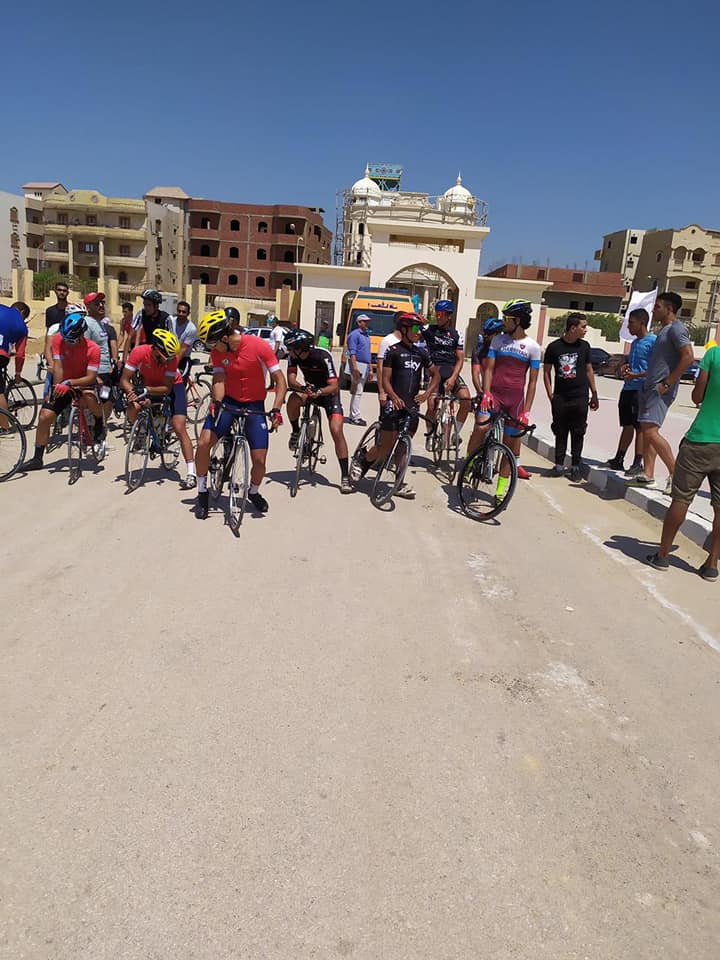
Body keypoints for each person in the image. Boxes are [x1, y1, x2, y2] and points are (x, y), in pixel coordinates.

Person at [193, 309, 287, 519]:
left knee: (259, 461)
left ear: (224, 338)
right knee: (203, 443)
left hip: (255, 405)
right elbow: (219, 379)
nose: (211, 348)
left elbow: (281, 380)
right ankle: (202, 492)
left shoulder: (258, 345)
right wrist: (217, 402)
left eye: (212, 343)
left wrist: (277, 409)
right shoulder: (218, 353)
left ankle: (253, 492)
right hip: (229, 402)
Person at [646, 345, 720, 581]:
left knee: (681, 499)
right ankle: (712, 565)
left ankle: (662, 555)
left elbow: (697, 397)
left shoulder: (714, 354)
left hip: (701, 439)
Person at [349, 312, 440, 499]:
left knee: (403, 446)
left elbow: (436, 375)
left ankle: (399, 482)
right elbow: (385, 378)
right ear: (404, 329)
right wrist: (391, 396)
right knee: (386, 445)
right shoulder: (393, 351)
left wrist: (427, 393)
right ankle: (363, 460)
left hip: (412, 406)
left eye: (420, 329)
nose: (419, 332)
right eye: (415, 328)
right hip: (394, 404)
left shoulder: (421, 353)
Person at [466, 299, 541, 499]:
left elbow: (533, 382)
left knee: (509, 444)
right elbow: (489, 370)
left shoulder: (533, 347)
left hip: (515, 401)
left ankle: (500, 491)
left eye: (507, 318)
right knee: (481, 427)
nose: (503, 321)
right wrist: (486, 393)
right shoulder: (498, 341)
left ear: (518, 320)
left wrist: (526, 411)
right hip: (495, 396)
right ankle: (469, 463)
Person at [627, 292, 694, 493]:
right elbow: (659, 363)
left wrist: (667, 383)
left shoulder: (676, 329)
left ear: (669, 309)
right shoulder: (663, 331)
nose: (653, 310)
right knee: (649, 431)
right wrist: (640, 377)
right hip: (650, 387)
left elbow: (688, 357)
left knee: (649, 431)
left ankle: (676, 475)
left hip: (661, 390)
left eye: (657, 307)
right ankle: (648, 474)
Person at [23, 311, 103, 470]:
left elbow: (91, 377)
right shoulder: (58, 339)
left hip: (83, 382)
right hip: (64, 381)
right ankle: (37, 458)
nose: (68, 343)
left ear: (81, 335)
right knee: (45, 416)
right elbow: (58, 367)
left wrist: (70, 382)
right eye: (66, 339)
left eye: (71, 340)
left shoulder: (93, 349)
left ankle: (99, 422)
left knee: (89, 396)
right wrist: (56, 388)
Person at [121, 328, 197, 490]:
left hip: (172, 386)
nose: (168, 360)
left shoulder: (170, 359)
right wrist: (132, 393)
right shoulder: (139, 352)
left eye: (170, 358)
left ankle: (191, 473)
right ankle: (142, 431)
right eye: (165, 357)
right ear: (155, 349)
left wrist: (146, 390)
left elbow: (166, 389)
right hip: (148, 384)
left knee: (179, 427)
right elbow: (124, 380)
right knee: (133, 407)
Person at [284, 328, 352, 494]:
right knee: (293, 399)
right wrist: (303, 388)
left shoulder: (323, 356)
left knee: (336, 430)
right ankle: (296, 431)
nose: (289, 352)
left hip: (328, 393)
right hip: (310, 390)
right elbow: (291, 380)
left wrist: (320, 392)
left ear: (300, 348)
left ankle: (345, 476)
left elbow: (334, 385)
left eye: (291, 349)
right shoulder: (294, 357)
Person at [542, 313, 599, 481]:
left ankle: (575, 467)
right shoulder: (554, 347)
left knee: (578, 432)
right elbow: (546, 372)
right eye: (583, 327)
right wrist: (550, 395)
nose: (585, 330)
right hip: (561, 397)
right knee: (560, 431)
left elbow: (589, 370)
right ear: (573, 328)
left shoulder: (584, 346)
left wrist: (594, 393)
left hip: (580, 397)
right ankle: (559, 465)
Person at [605, 308, 656, 475]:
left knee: (639, 427)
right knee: (626, 424)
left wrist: (637, 375)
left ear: (642, 322)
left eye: (631, 323)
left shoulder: (653, 342)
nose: (628, 327)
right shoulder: (634, 343)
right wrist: (626, 367)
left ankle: (637, 462)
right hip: (627, 388)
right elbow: (637, 364)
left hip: (641, 390)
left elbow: (656, 369)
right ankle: (619, 458)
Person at [422, 300, 472, 450]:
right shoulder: (429, 329)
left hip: (451, 371)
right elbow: (415, 329)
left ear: (449, 316)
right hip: (435, 372)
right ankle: (430, 433)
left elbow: (460, 359)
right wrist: (418, 321)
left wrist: (453, 377)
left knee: (466, 399)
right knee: (432, 405)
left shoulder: (457, 334)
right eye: (437, 313)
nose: (438, 316)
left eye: (441, 314)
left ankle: (456, 434)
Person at [83, 292, 114, 424]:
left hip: (105, 371)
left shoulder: (100, 323)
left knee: (106, 399)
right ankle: (96, 426)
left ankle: (100, 425)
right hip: (96, 372)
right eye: (97, 303)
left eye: (102, 302)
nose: (101, 305)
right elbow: (84, 351)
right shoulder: (87, 324)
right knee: (99, 401)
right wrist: (94, 376)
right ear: (88, 307)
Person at [0, 304, 29, 426]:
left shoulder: (1, 308)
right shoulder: (23, 327)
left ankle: (4, 426)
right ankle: (5, 427)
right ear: (22, 312)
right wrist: (18, 374)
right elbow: (20, 354)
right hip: (3, 356)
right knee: (0, 392)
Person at [346, 313, 372, 425]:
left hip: (365, 366)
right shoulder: (354, 335)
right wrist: (355, 368)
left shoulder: (366, 335)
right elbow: (352, 352)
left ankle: (353, 415)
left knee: (358, 391)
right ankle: (354, 416)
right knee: (357, 391)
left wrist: (370, 369)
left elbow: (368, 354)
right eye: (365, 321)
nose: (367, 323)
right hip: (358, 365)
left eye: (367, 321)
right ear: (359, 322)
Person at [471, 317, 504, 396]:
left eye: (488, 333)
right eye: (484, 332)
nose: (485, 335)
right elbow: (475, 373)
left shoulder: (505, 349)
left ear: (497, 334)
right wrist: (480, 392)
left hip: (502, 391)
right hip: (486, 389)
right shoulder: (479, 350)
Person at [168, 300, 197, 380]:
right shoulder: (170, 322)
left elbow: (183, 350)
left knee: (180, 382)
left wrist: (173, 366)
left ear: (188, 314)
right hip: (170, 355)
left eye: (184, 312)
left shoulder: (191, 329)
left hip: (183, 358)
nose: (181, 313)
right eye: (179, 311)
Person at [376, 325, 401, 411]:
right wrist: (382, 391)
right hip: (389, 388)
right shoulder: (387, 341)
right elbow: (380, 367)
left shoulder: (410, 343)